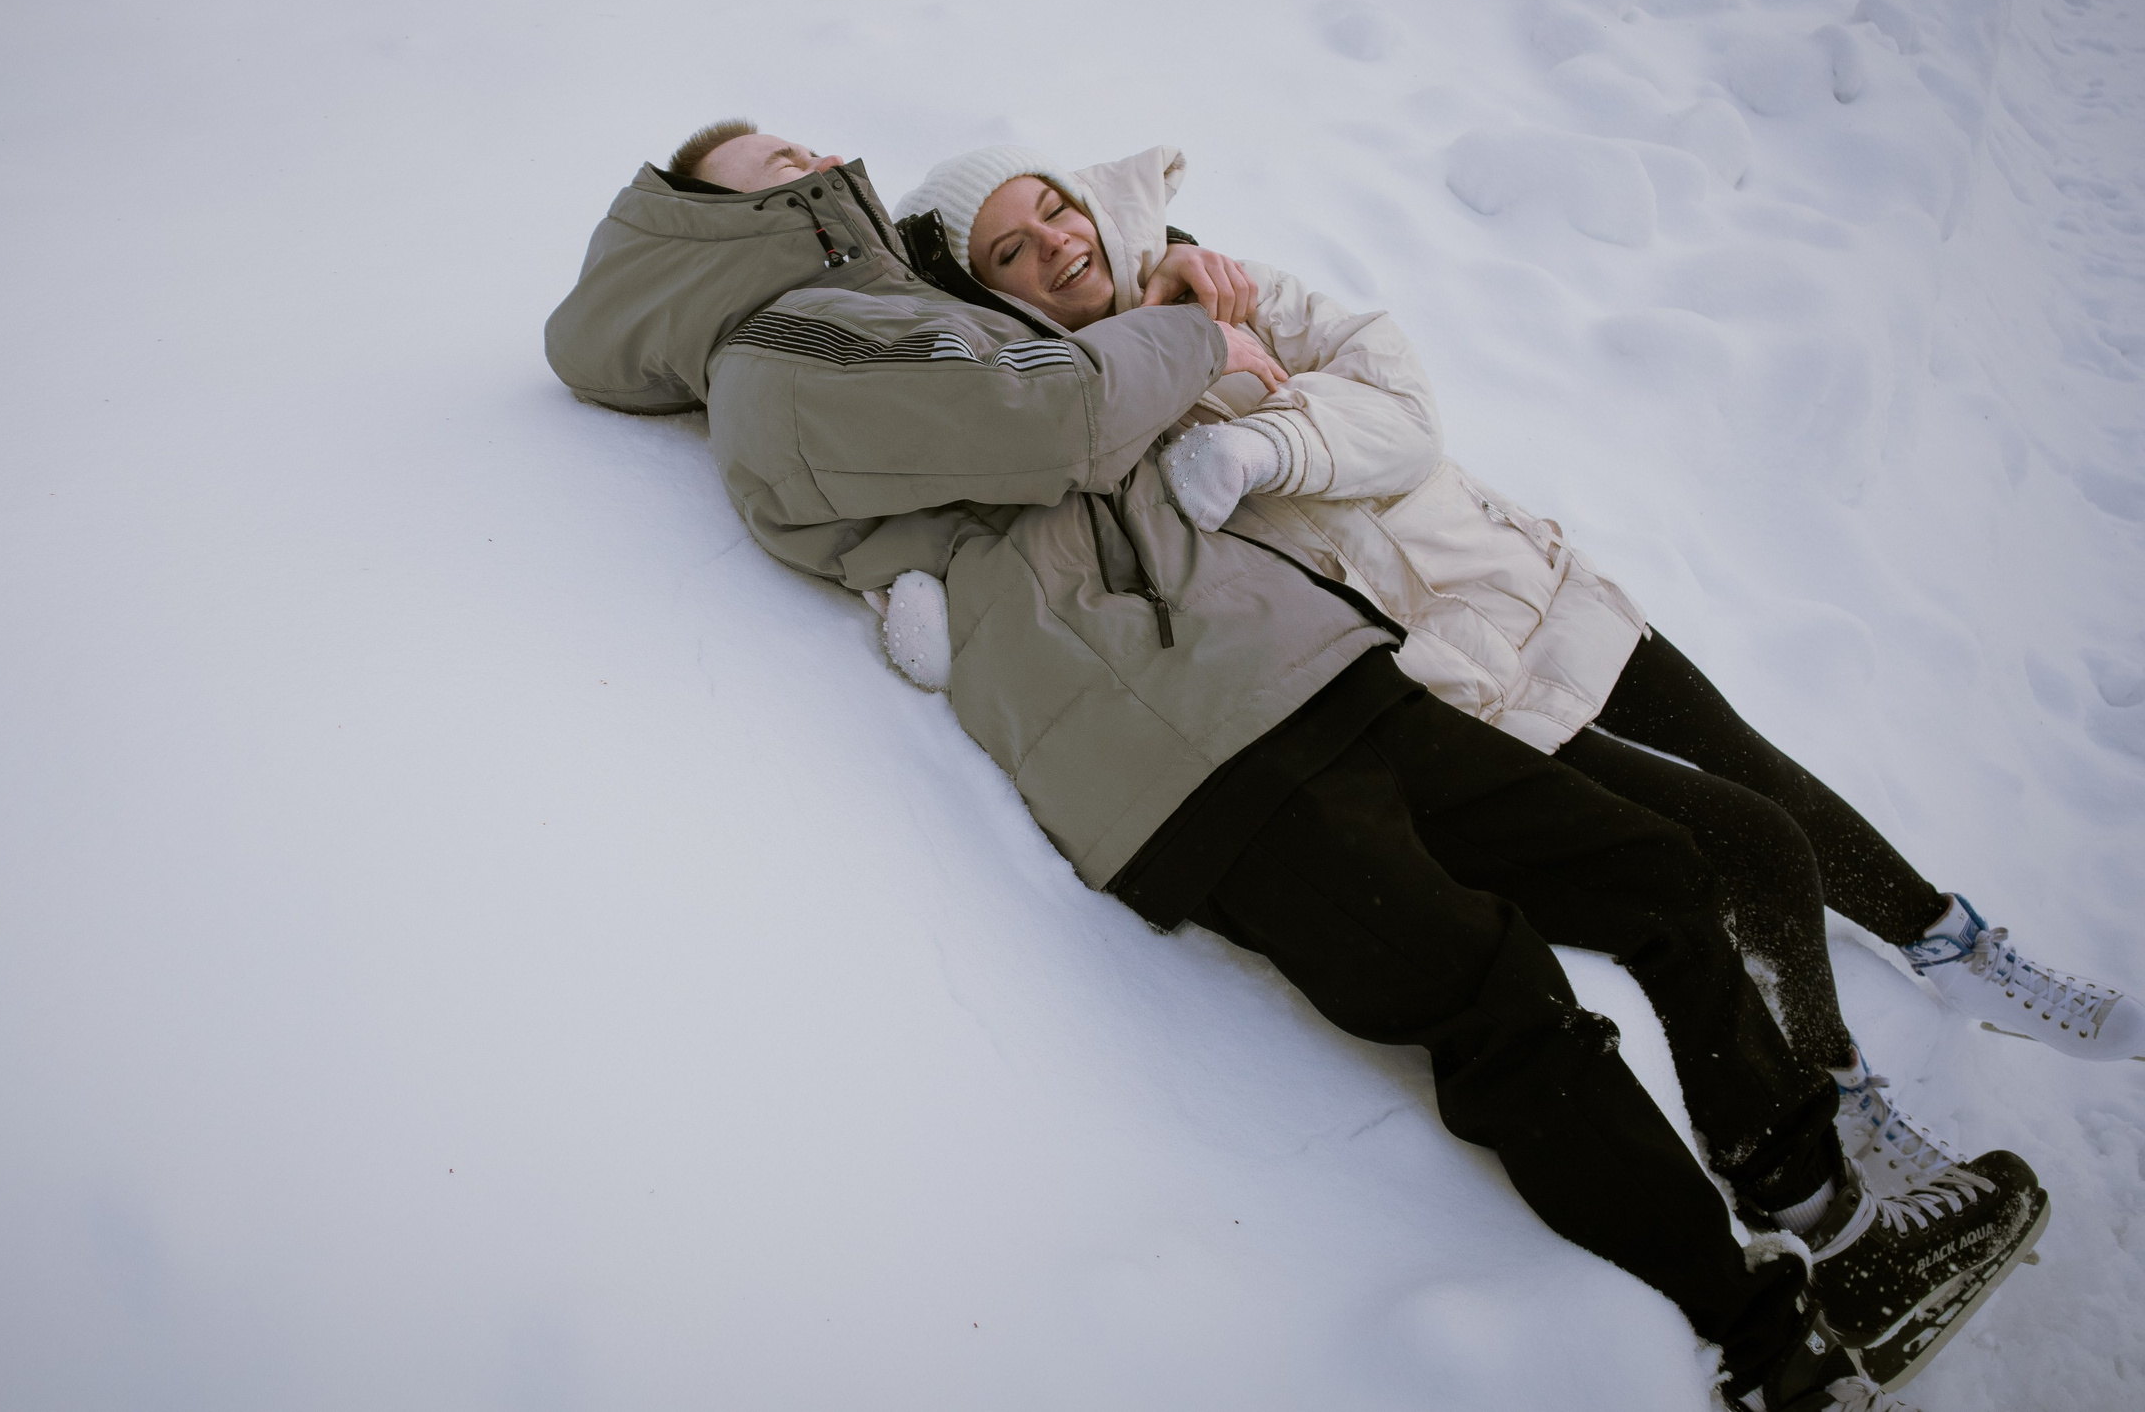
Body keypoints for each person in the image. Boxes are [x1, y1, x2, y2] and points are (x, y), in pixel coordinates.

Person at [544, 124, 2048, 1411]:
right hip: (1179, 753)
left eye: (803, 145)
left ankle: (1821, 1204)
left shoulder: (875, 306)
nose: (814, 157)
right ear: (709, 218)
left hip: (1297, 665)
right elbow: (1050, 419)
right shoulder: (781, 350)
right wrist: (1204, 343)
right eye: (773, 160)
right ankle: (1769, 1346)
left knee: (1651, 871)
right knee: (1499, 1001)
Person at [890, 144, 2145, 1139]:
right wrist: (1239, 393)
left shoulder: (1212, 272)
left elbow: (1402, 408)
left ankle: (1953, 944)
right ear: (987, 290)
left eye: (1052, 207)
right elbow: (1168, 533)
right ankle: (1837, 1092)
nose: (1056, 242)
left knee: (1749, 761)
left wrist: (1266, 431)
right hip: (1441, 672)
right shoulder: (1082, 414)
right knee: (1740, 842)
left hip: (1512, 571)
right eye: (1012, 248)